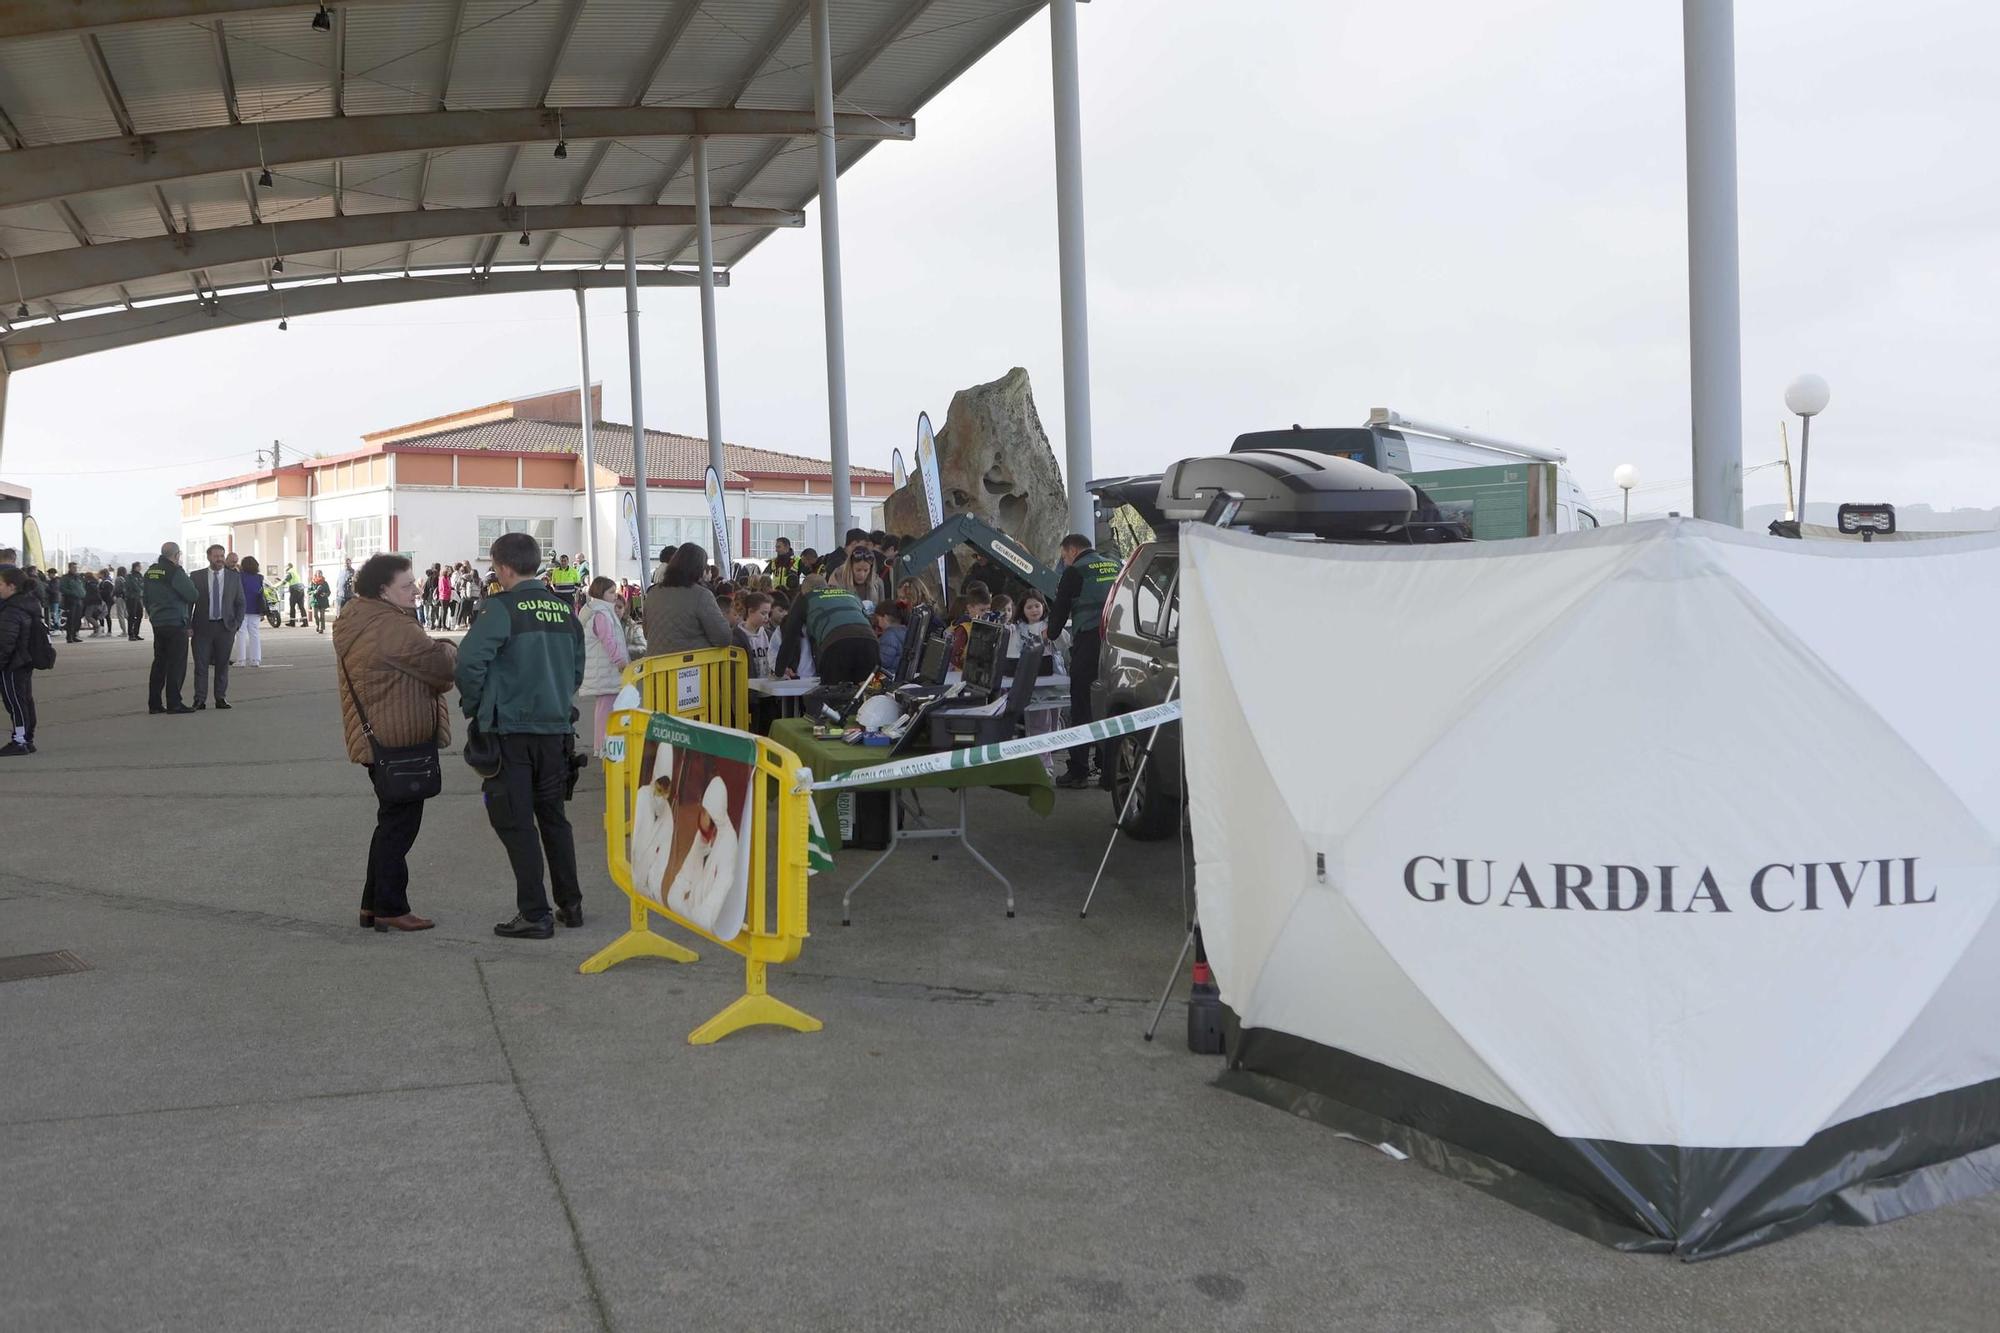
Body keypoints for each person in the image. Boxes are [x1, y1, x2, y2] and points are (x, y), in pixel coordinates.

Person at [455, 532, 586, 940]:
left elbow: (467, 665)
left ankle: (534, 913)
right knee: (553, 819)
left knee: (516, 823)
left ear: (504, 567)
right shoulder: (564, 610)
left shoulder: (500, 609)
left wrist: (478, 706)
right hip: (556, 731)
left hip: (510, 732)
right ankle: (571, 904)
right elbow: (576, 671)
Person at [332, 552, 457, 932]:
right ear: (384, 590)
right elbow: (441, 667)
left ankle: (374, 905)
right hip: (398, 735)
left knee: (390, 822)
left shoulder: (360, 618)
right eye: (407, 584)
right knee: (399, 828)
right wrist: (449, 645)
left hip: (378, 736)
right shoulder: (391, 627)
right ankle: (390, 905)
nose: (416, 589)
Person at [1045, 533, 1122, 788]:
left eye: (1064, 556)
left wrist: (1050, 633)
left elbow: (1059, 611)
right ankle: (1108, 768)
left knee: (1082, 705)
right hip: (1117, 643)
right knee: (1110, 704)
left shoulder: (1075, 571)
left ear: (1072, 550)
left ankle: (1078, 770)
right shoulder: (1115, 565)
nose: (1064, 561)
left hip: (1089, 642)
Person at [666, 776, 740, 932]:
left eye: (705, 812)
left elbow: (722, 885)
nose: (701, 816)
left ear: (714, 814)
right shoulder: (704, 834)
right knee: (673, 898)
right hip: (693, 904)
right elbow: (689, 867)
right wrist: (678, 891)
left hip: (708, 909)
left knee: (700, 918)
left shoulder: (728, 842)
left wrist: (702, 911)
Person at [776, 575, 878, 684]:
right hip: (870, 642)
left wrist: (779, 671)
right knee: (866, 694)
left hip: (836, 644)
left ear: (803, 591)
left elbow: (790, 637)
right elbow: (868, 621)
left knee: (832, 694)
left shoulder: (806, 598)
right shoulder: (850, 595)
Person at [643, 542, 734, 656]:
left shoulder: (652, 593)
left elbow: (647, 633)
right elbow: (723, 638)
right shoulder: (701, 595)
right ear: (698, 569)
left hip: (655, 668)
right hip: (690, 669)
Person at [576, 575, 632, 758]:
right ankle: (605, 749)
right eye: (610, 592)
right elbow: (609, 641)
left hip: (603, 670)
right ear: (600, 593)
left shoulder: (595, 611)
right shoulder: (602, 614)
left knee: (604, 710)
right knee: (608, 711)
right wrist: (621, 662)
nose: (615, 595)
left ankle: (604, 748)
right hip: (608, 670)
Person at [141, 542, 198, 714]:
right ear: (177, 555)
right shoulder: (175, 571)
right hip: (175, 622)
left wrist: (153, 614)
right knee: (176, 664)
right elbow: (192, 594)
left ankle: (155, 703)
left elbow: (145, 597)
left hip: (158, 622)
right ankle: (174, 703)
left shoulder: (150, 572)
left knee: (159, 663)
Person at [0, 564, 44, 755]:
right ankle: (27, 737)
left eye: (1, 584)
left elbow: (6, 643)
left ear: (12, 586)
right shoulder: (28, 604)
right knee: (25, 700)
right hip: (25, 661)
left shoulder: (12, 610)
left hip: (12, 664)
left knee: (15, 703)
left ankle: (19, 741)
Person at [234, 556, 266, 668]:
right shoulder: (259, 578)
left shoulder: (239, 577)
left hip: (241, 609)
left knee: (241, 634)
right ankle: (255, 660)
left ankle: (241, 660)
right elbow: (261, 594)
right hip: (256, 609)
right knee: (255, 634)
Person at [736, 591, 776, 678]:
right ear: (750, 611)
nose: (767, 617)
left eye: (768, 614)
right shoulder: (736, 637)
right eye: (763, 613)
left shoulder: (769, 635)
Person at [873, 602, 908, 677]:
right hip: (898, 674)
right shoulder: (905, 631)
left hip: (889, 676)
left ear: (885, 617)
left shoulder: (889, 635)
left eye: (878, 619)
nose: (877, 623)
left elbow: (883, 661)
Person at [58, 562, 85, 644]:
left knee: (77, 618)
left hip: (79, 600)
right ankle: (69, 636)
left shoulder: (78, 577)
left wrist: (83, 593)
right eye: (73, 567)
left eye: (76, 568)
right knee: (71, 619)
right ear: (69, 568)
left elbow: (82, 587)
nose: (75, 569)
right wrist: (73, 592)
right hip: (70, 600)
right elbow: (62, 588)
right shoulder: (65, 578)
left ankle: (74, 635)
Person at [123, 562, 146, 640]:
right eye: (139, 566)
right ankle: (131, 634)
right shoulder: (130, 576)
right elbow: (132, 586)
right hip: (131, 598)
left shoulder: (140, 576)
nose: (140, 568)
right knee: (132, 615)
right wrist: (139, 588)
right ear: (135, 567)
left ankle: (136, 633)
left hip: (138, 598)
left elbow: (143, 585)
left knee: (140, 614)